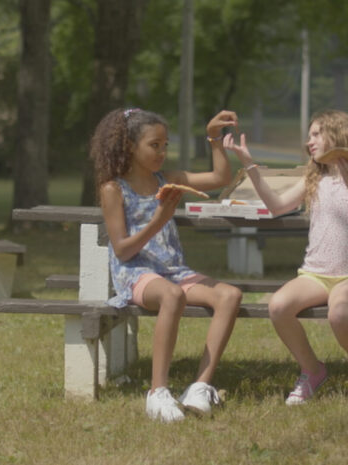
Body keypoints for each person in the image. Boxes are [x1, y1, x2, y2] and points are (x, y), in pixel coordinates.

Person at [223, 109, 348, 406]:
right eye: (308, 135)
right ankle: (312, 370)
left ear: (337, 134)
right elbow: (276, 206)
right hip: (315, 275)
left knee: (339, 314)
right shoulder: (315, 176)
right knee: (278, 306)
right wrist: (249, 164)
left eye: (316, 134)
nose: (308, 141)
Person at [90, 108, 243, 422]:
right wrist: (158, 221)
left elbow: (220, 178)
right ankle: (157, 392)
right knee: (172, 295)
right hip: (135, 273)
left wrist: (214, 138)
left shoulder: (168, 180)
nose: (162, 152)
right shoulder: (113, 189)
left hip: (174, 272)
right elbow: (121, 251)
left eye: (165, 145)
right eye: (154, 145)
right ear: (130, 146)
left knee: (230, 295)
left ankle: (199, 387)